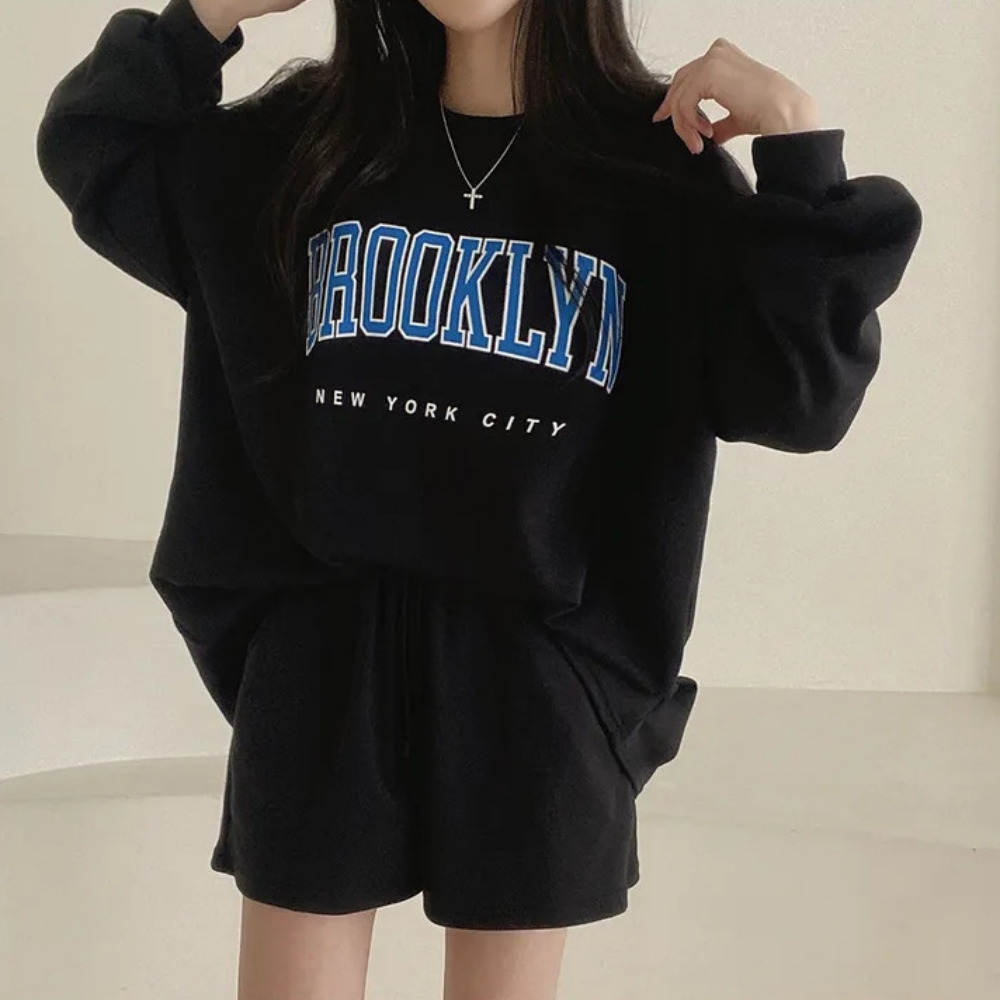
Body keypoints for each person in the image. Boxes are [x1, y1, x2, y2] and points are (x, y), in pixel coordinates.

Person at [35, 0, 923, 997]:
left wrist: (799, 143)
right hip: (321, 656)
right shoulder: (308, 145)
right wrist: (207, 12)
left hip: (542, 671)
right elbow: (98, 151)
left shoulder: (656, 174)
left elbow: (800, 398)